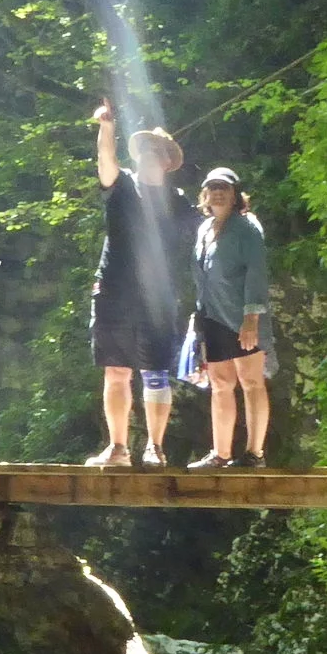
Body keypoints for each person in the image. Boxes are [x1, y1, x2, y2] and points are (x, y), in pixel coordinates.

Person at [87, 102, 195, 466]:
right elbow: (105, 160)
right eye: (146, 148)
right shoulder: (121, 186)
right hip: (113, 292)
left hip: (157, 299)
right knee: (115, 370)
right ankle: (118, 448)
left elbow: (205, 230)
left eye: (157, 151)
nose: (150, 154)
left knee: (155, 371)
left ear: (167, 162)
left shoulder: (178, 203)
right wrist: (106, 127)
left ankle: (155, 447)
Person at [186, 165, 270, 469]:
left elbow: (257, 272)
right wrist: (198, 320)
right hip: (213, 316)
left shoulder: (247, 228)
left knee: (251, 381)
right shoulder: (204, 229)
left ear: (235, 195)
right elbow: (201, 278)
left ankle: (254, 454)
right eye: (213, 188)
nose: (218, 193)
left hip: (242, 316)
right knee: (220, 383)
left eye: (224, 188)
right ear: (205, 195)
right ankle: (220, 454)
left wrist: (251, 318)